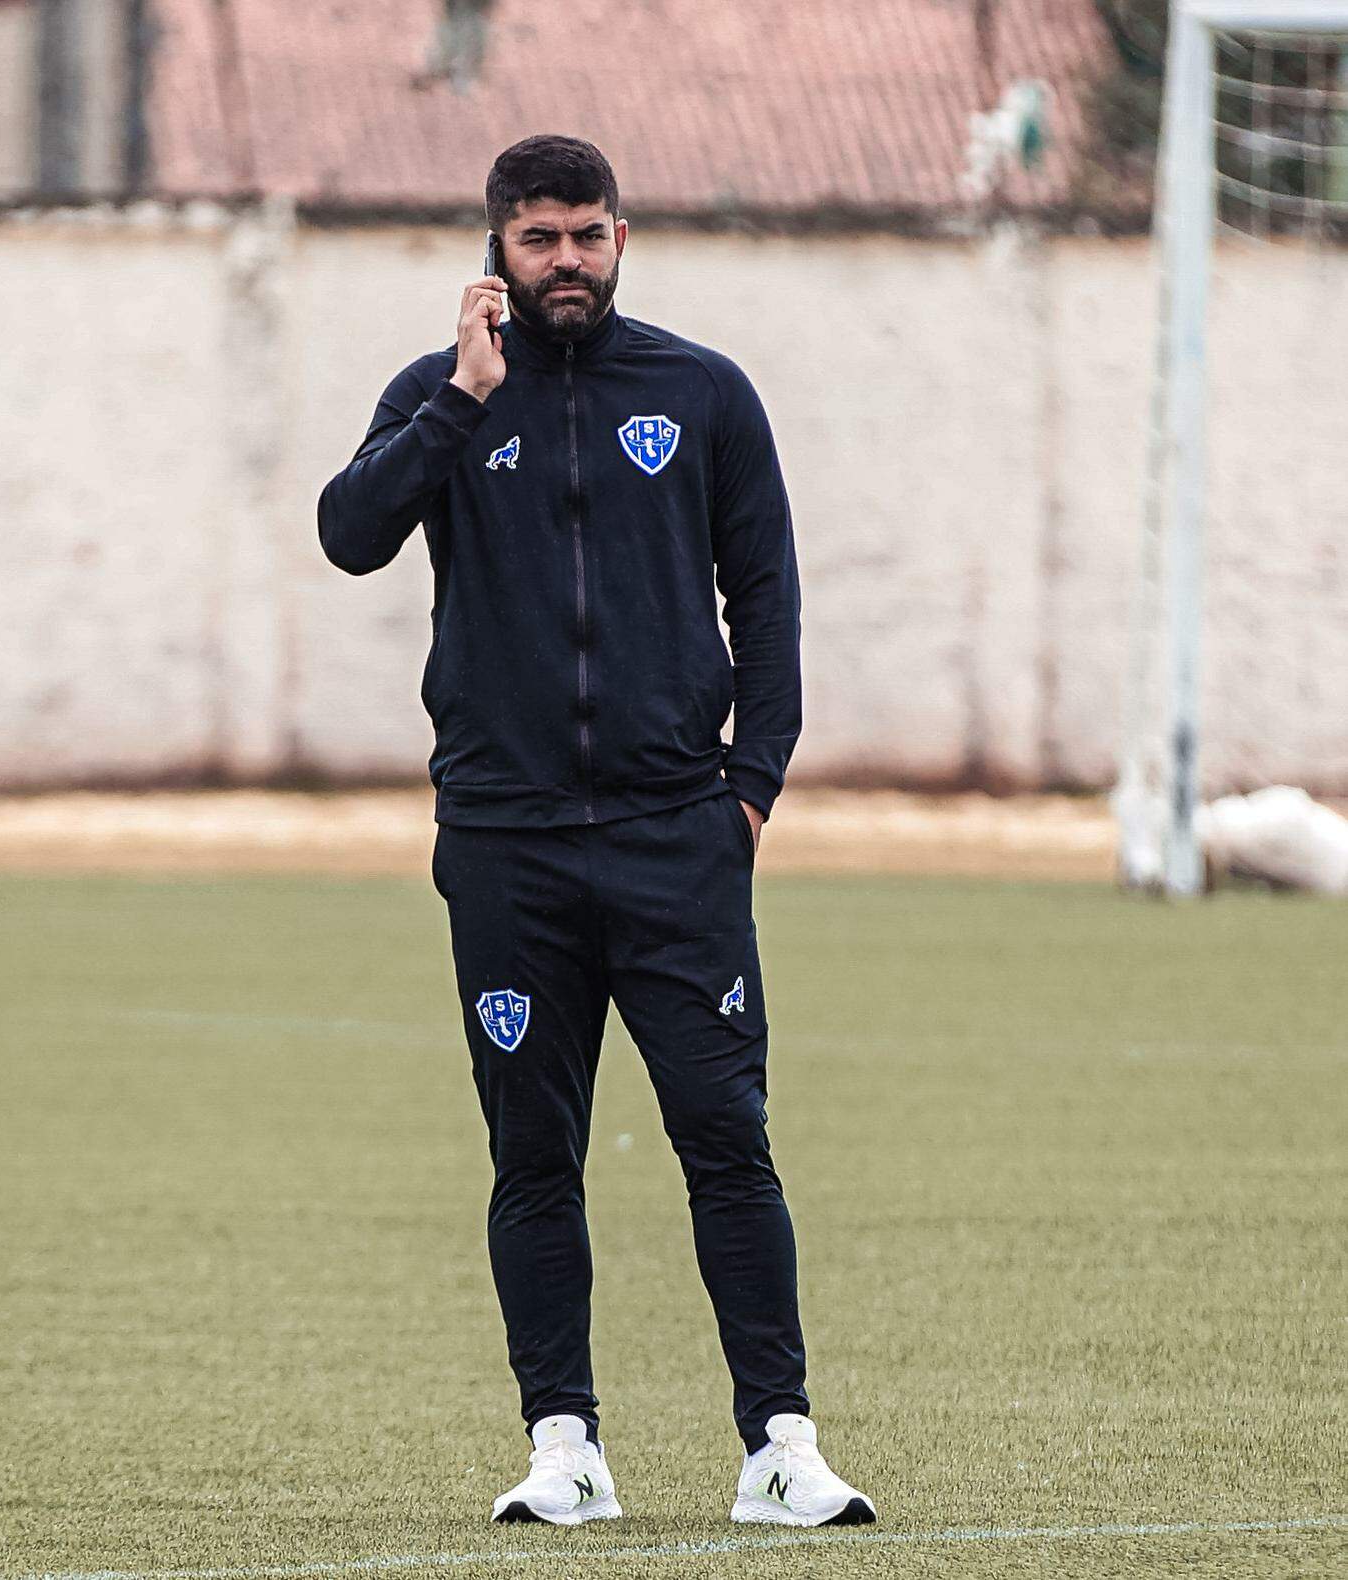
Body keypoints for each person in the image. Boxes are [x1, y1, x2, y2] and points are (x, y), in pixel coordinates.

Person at [318, 134, 874, 1531]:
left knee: (726, 1138)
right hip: (507, 845)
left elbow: (771, 596)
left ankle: (781, 1449)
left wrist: (752, 784)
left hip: (676, 836)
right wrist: (460, 401)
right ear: (493, 247)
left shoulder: (698, 393)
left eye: (588, 235)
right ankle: (563, 1447)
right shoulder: (442, 395)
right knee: (532, 1154)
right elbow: (346, 533)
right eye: (538, 238)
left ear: (623, 237)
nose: (566, 260)